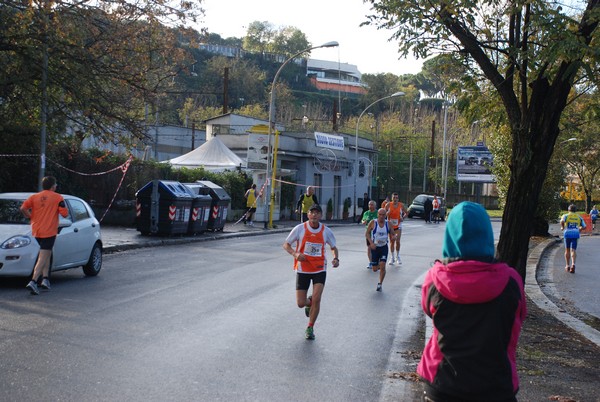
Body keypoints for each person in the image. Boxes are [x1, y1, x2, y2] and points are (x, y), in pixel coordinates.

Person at [417, 201, 527, 402]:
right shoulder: (511, 281)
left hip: (442, 383)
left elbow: (428, 309)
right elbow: (520, 316)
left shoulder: (434, 279)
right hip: (496, 385)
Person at [283, 204, 339, 340]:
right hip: (303, 269)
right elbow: (286, 244)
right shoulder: (300, 228)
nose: (314, 215)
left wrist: (336, 258)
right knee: (300, 303)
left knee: (317, 298)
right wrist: (295, 254)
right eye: (312, 213)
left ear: (320, 215)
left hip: (320, 268)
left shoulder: (326, 231)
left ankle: (310, 327)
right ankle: (309, 303)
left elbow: (333, 247)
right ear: (308, 214)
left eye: (317, 213)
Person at [20, 176, 69, 295]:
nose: (56, 186)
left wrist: (29, 216)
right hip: (49, 231)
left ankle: (45, 279)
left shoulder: (34, 197)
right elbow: (65, 214)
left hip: (37, 230)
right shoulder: (58, 197)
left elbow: (23, 208)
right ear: (53, 186)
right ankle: (33, 281)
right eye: (56, 184)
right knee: (43, 256)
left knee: (46, 252)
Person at [366, 208, 396, 291]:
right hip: (375, 247)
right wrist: (371, 243)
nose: (382, 216)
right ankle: (378, 265)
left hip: (383, 247)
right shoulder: (373, 223)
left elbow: (393, 234)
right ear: (377, 215)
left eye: (383, 215)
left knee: (383, 265)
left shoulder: (388, 224)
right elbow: (367, 233)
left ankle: (380, 283)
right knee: (375, 269)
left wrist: (394, 237)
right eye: (380, 214)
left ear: (385, 215)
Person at [560, 204, 586, 273]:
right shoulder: (579, 217)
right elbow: (584, 226)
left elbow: (562, 221)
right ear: (575, 210)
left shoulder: (565, 215)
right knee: (573, 250)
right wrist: (580, 229)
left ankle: (567, 265)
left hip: (567, 233)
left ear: (568, 210)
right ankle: (573, 264)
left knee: (567, 250)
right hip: (575, 233)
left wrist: (562, 227)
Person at [385, 192, 406, 264]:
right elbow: (383, 213)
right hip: (390, 225)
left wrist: (403, 218)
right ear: (392, 198)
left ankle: (398, 256)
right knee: (392, 241)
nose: (395, 199)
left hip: (398, 225)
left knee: (397, 240)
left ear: (398, 199)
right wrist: (387, 214)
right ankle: (392, 257)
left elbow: (406, 212)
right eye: (394, 198)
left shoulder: (401, 205)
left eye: (397, 198)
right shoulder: (388, 205)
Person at [361, 200, 378, 269]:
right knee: (369, 248)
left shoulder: (377, 213)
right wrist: (363, 222)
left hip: (376, 233)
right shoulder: (366, 213)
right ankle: (371, 262)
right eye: (369, 205)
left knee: (376, 248)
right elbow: (363, 220)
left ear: (375, 206)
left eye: (372, 205)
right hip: (369, 233)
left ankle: (377, 261)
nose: (370, 206)